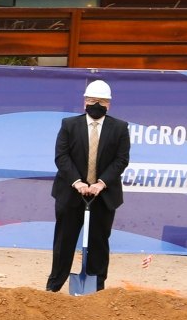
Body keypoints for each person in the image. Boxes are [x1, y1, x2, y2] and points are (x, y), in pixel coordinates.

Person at [46, 79, 131, 292]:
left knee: (99, 243)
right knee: (64, 242)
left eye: (102, 101)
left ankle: (96, 289)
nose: (97, 105)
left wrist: (101, 183)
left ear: (109, 104)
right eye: (93, 100)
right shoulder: (69, 125)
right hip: (71, 194)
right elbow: (62, 157)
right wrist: (77, 182)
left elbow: (121, 160)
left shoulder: (119, 128)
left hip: (103, 196)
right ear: (84, 101)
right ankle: (54, 287)